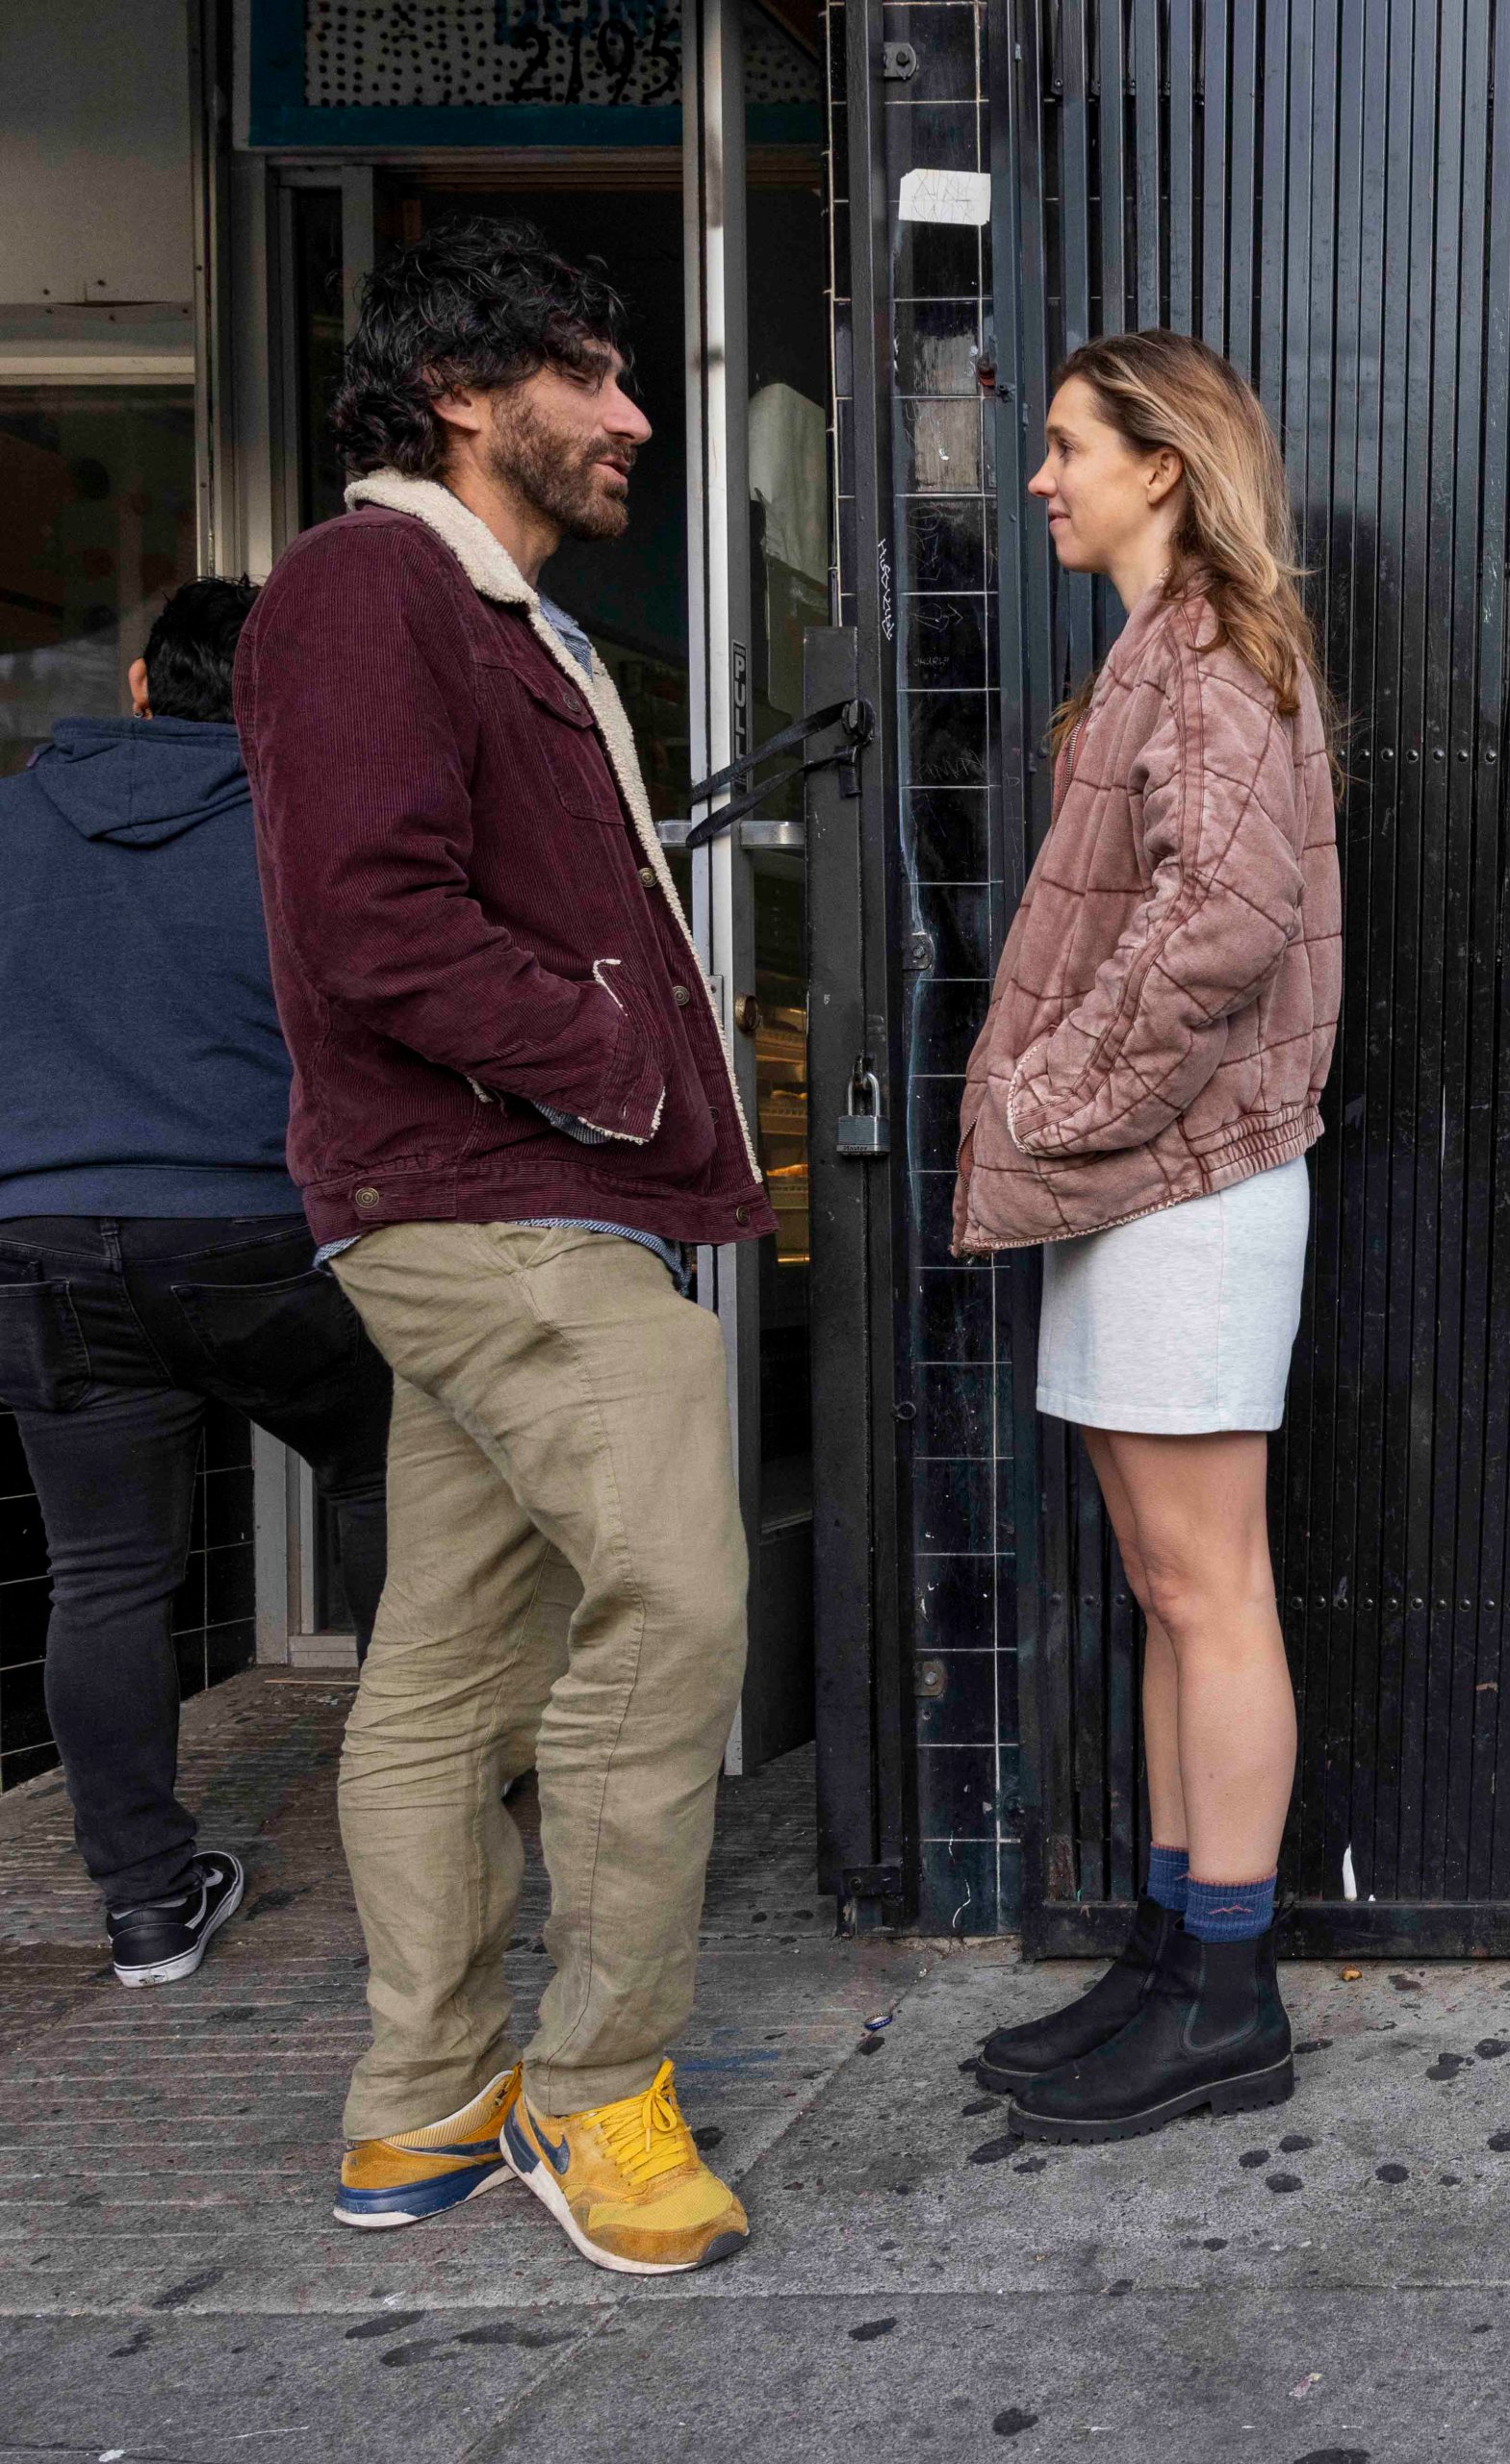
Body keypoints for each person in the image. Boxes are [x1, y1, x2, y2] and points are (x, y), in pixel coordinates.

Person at [233, 216, 774, 2272]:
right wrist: (622, 1060)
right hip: (500, 1211)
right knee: (681, 1605)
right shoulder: (375, 583)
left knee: (456, 1656)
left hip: (487, 1199)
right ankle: (596, 2084)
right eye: (593, 372)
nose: (633, 414)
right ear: (466, 394)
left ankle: (419, 2099)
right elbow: (372, 924)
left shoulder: (474, 604)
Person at [951, 329, 1342, 2145]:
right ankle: (1178, 1952)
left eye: (1066, 445)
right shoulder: (1160, 655)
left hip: (1186, 1180)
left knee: (1207, 1591)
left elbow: (1226, 923)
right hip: (1148, 1182)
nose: (1043, 476)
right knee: (1174, 1594)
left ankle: (1230, 1993)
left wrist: (1050, 1095)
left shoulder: (1208, 654)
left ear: (1161, 465)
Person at [0, 576, 394, 1990]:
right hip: (257, 1232)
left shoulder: (11, 821)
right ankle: (427, 1844)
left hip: (41, 1240)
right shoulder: (301, 827)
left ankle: (150, 1911)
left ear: (140, 689)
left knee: (102, 1573)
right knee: (391, 1467)